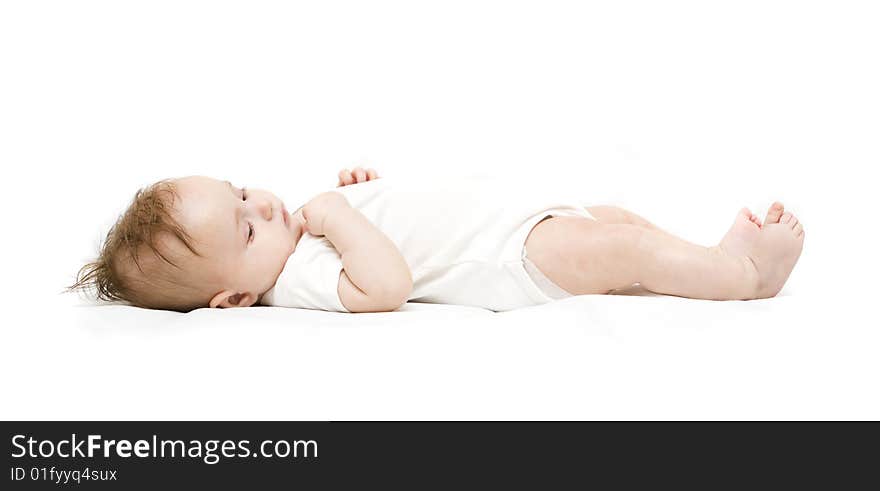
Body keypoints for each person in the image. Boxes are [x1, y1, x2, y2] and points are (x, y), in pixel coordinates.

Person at [69, 167, 804, 312]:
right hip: (509, 260)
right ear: (232, 294)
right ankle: (743, 275)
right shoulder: (292, 282)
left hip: (513, 219)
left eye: (239, 191)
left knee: (616, 221)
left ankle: (706, 258)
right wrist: (342, 217)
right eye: (246, 224)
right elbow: (384, 284)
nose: (260, 201)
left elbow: (389, 227)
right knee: (624, 250)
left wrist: (363, 191)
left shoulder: (301, 235)